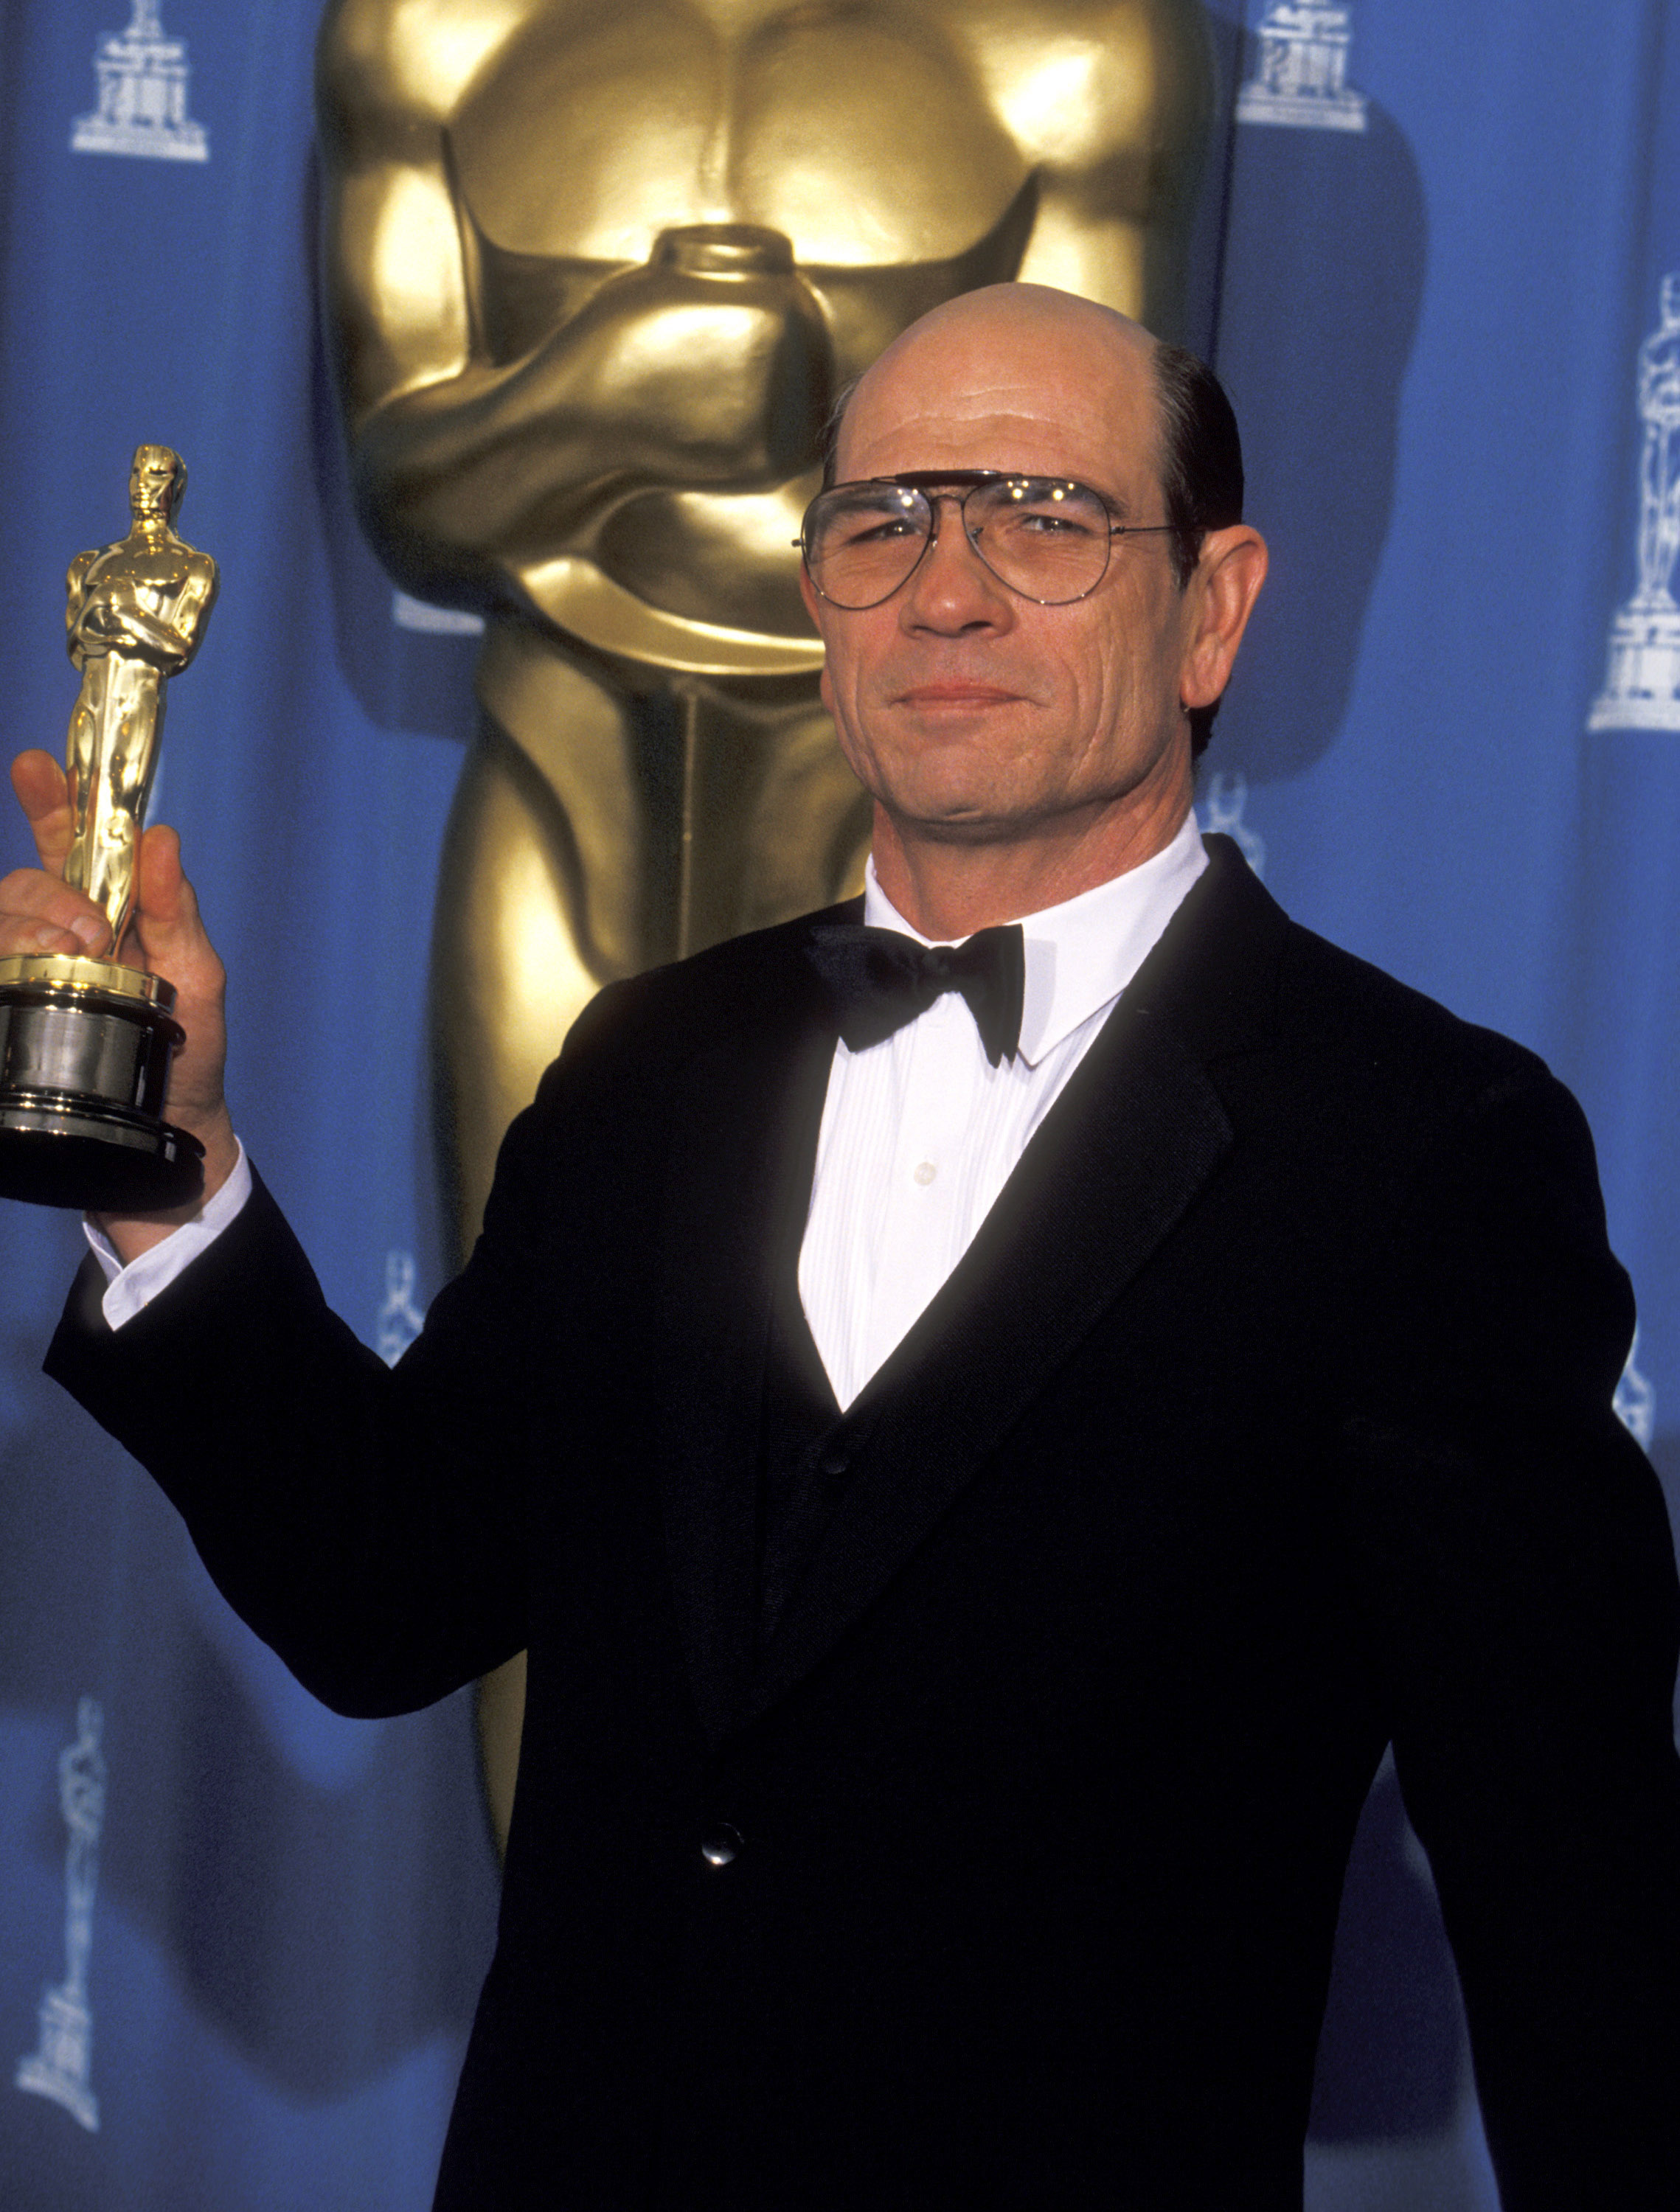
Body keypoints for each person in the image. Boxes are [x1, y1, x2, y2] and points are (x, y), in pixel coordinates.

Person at [5, 284, 1679, 2210]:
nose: (943, 593)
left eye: (1042, 518)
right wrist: (170, 1160)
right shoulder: (655, 1065)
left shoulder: (1419, 1148)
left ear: (1216, 606)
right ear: (815, 600)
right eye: (881, 521)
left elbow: (1578, 1895)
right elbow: (390, 1587)